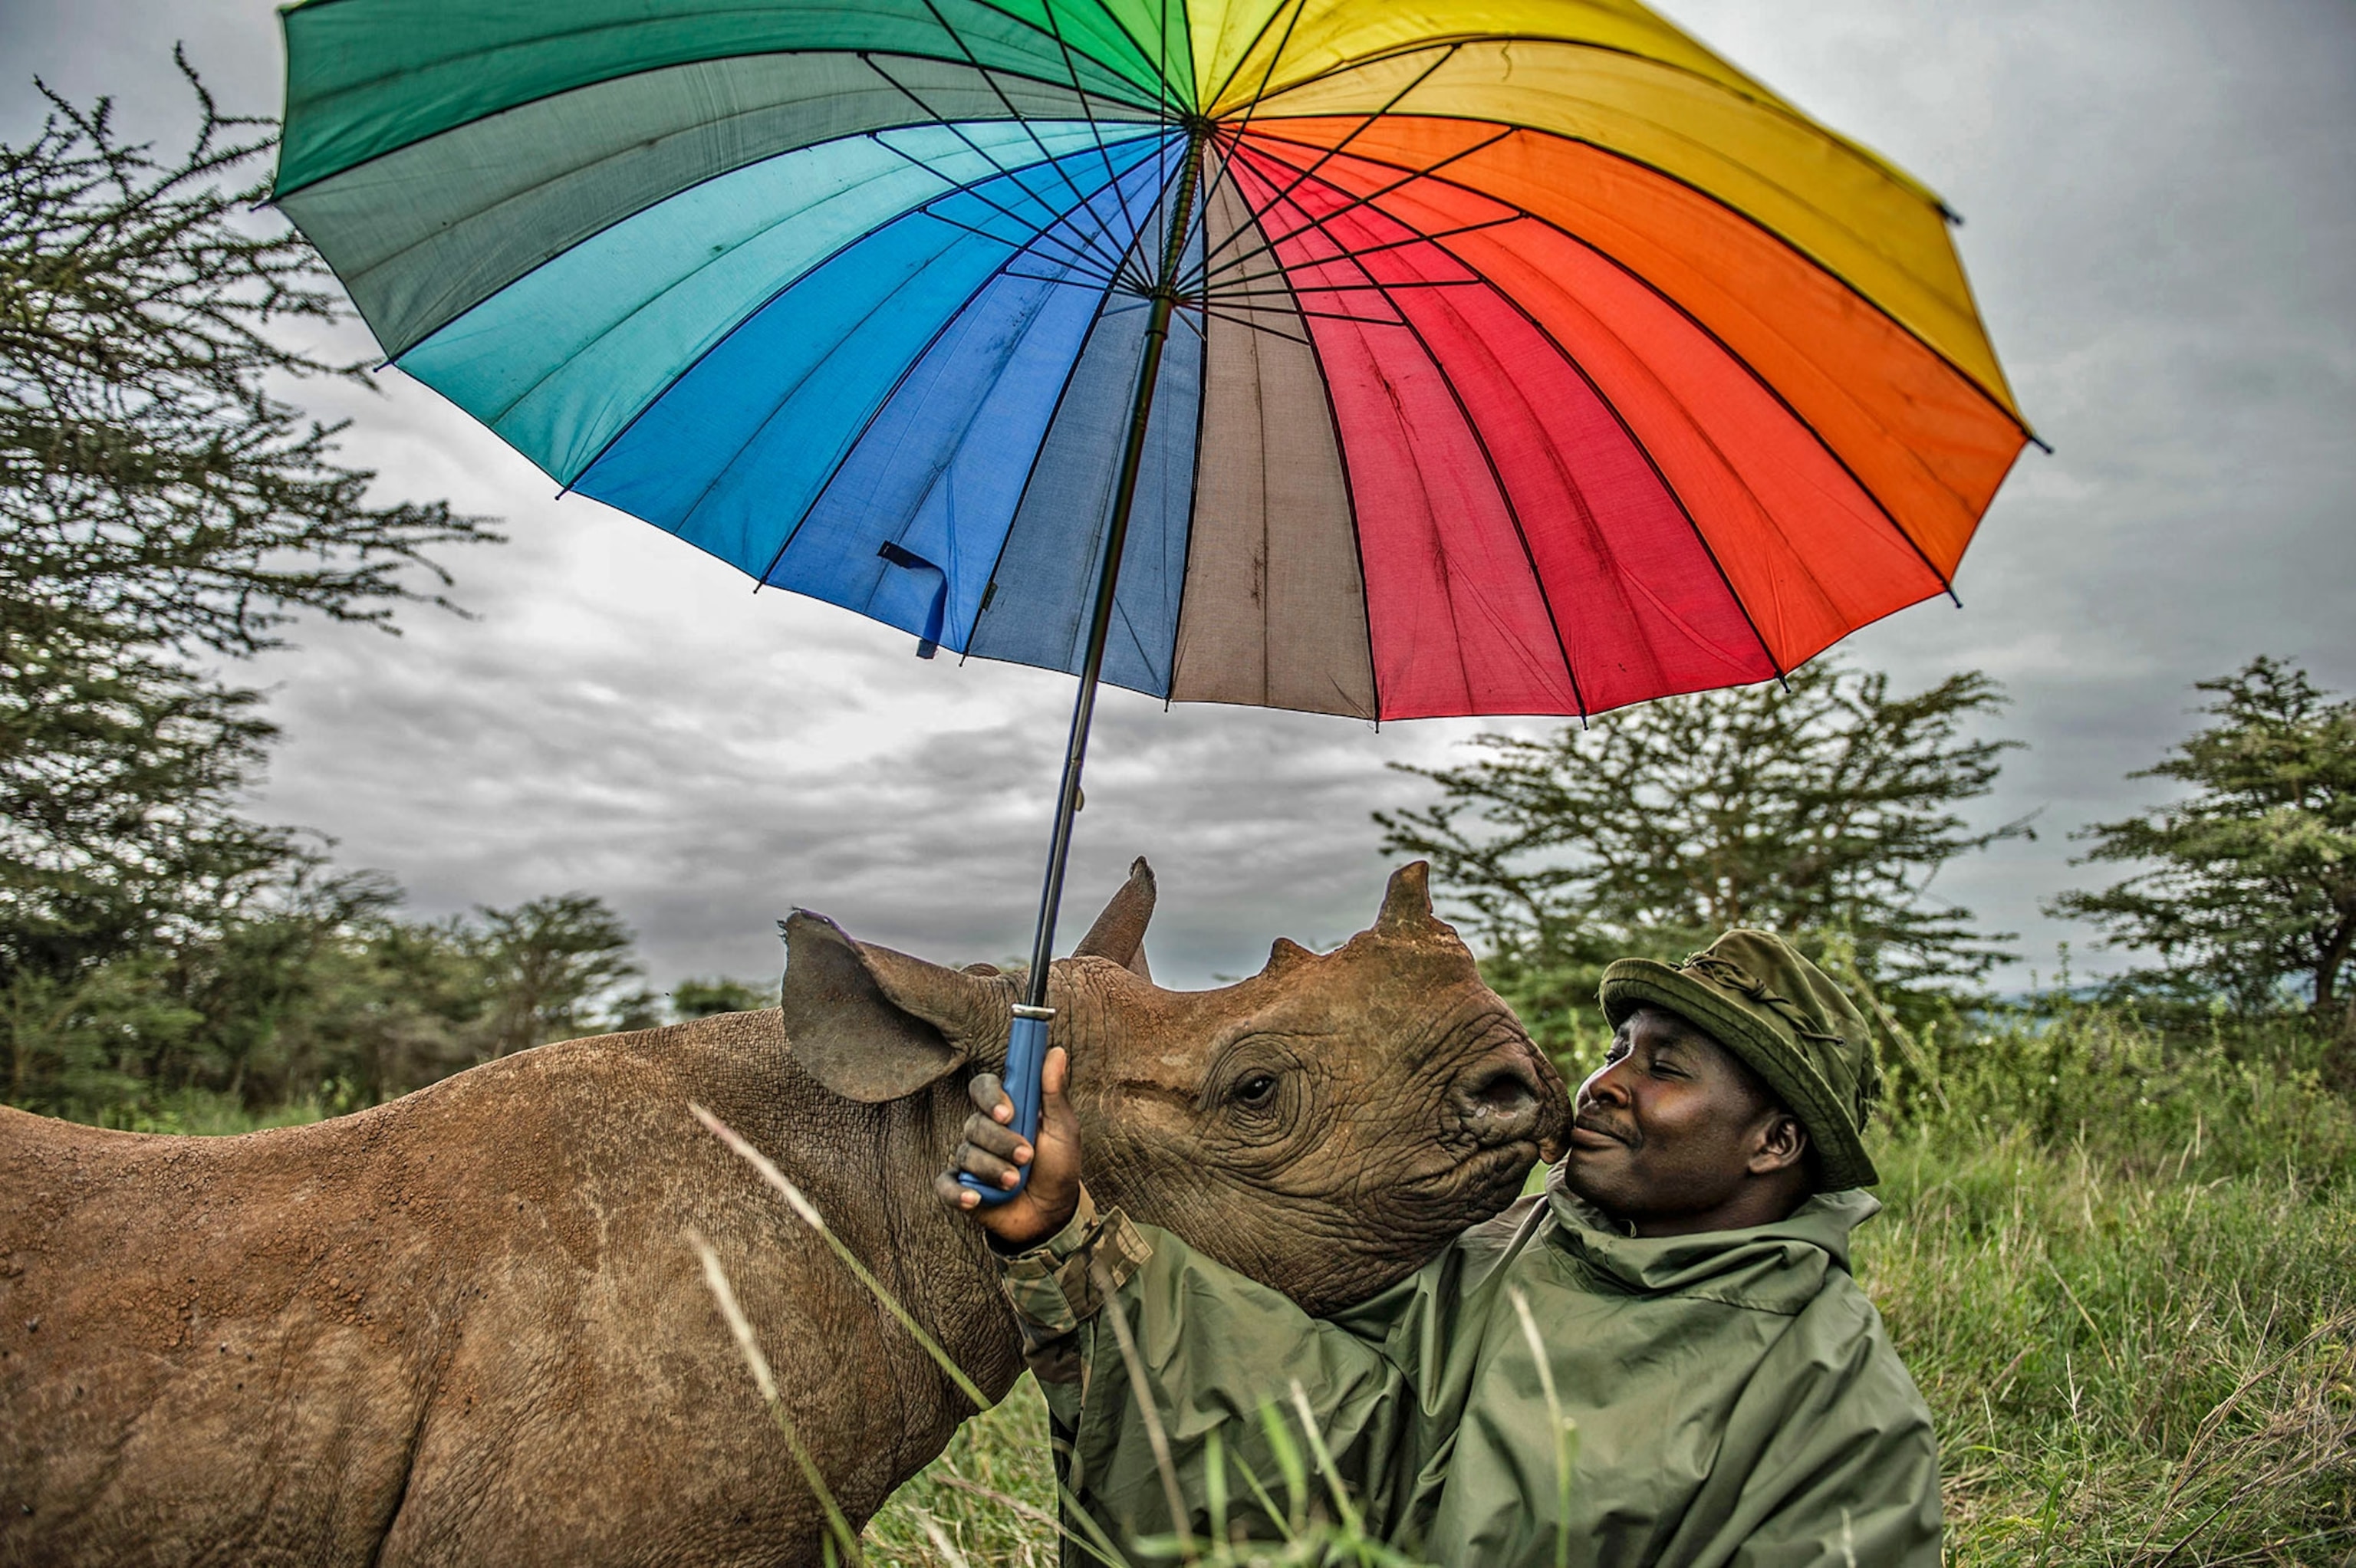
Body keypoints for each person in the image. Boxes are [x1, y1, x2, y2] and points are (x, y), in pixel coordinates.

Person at [935, 931, 1942, 1566]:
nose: (1603, 1082)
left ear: (1774, 1141)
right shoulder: (1508, 1245)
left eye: (1664, 1066)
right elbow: (1320, 1424)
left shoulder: (1835, 1403)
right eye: (1614, 1050)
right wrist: (1067, 1231)